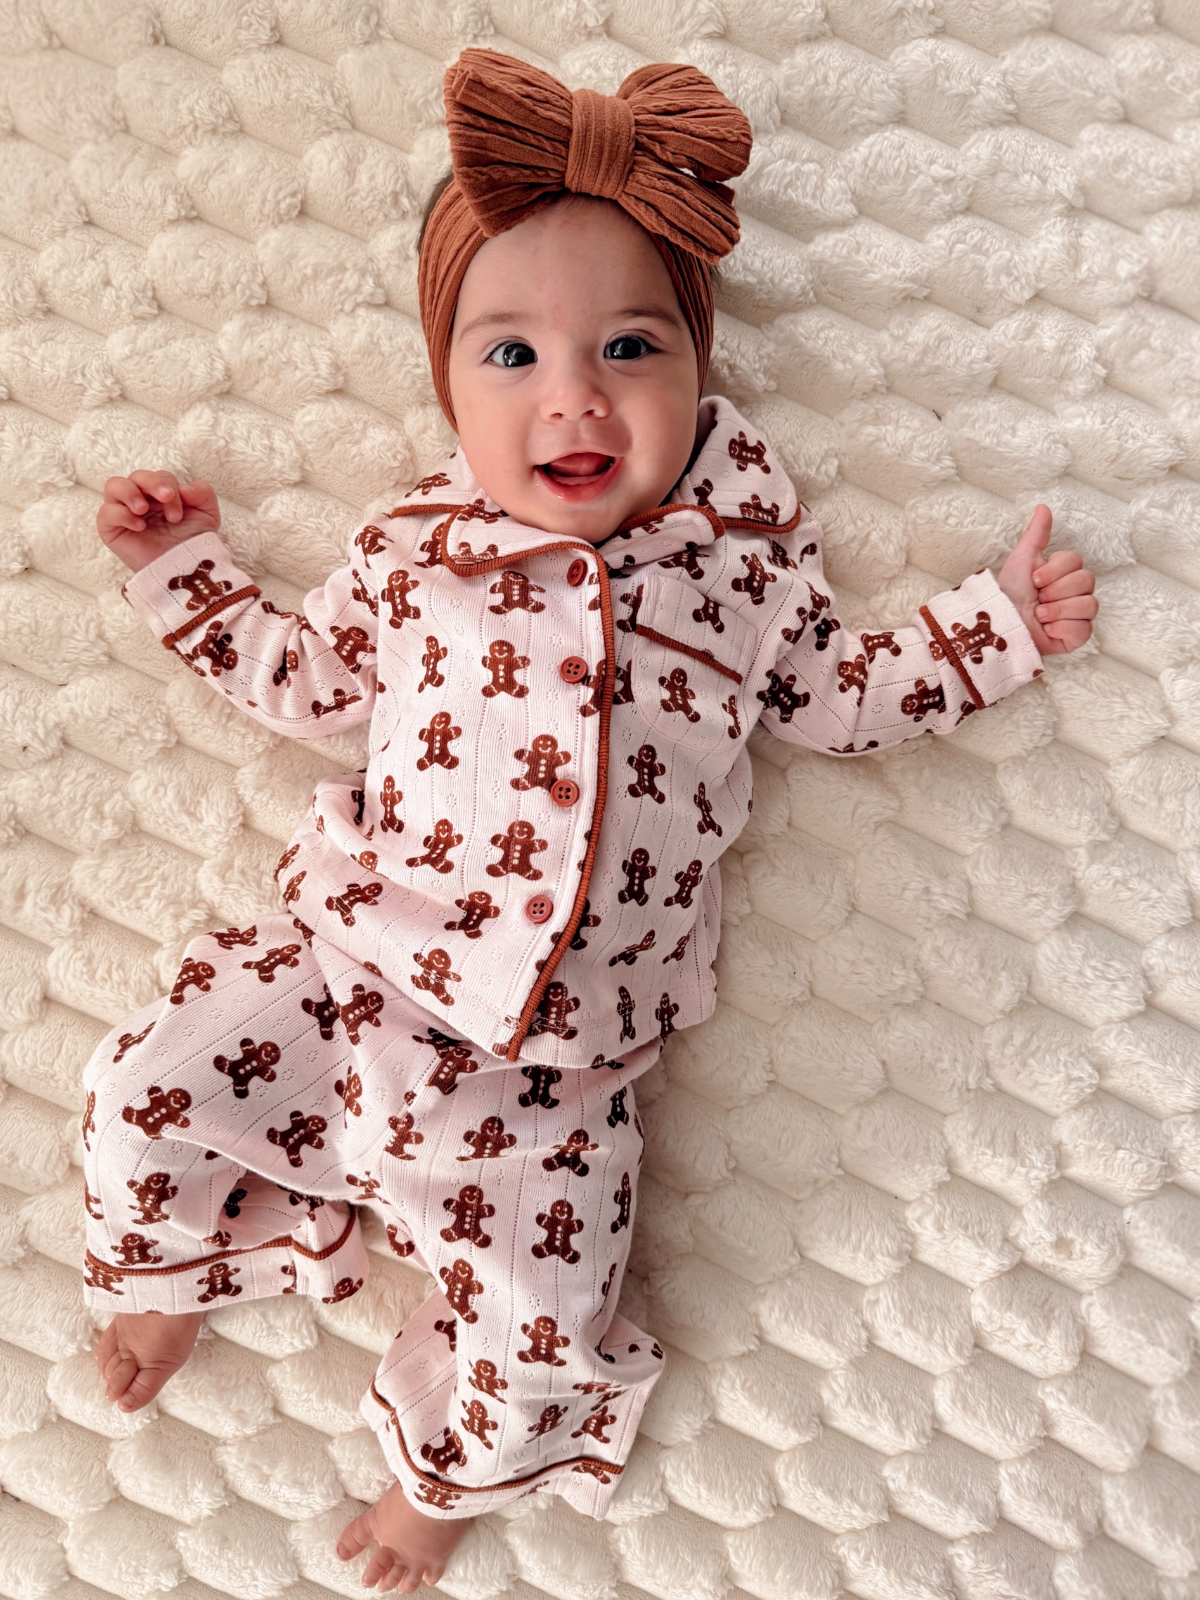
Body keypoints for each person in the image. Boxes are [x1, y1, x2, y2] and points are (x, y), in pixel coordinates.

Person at [81, 48, 1097, 1596]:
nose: (576, 395)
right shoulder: (418, 545)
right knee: (154, 1074)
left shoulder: (740, 563)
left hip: (559, 1060)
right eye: (509, 356)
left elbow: (840, 692)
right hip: (355, 965)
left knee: (547, 1302)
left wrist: (995, 626)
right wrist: (191, 572)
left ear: (700, 375)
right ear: (446, 391)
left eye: (631, 345)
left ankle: (441, 1478)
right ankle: (172, 1265)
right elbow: (302, 678)